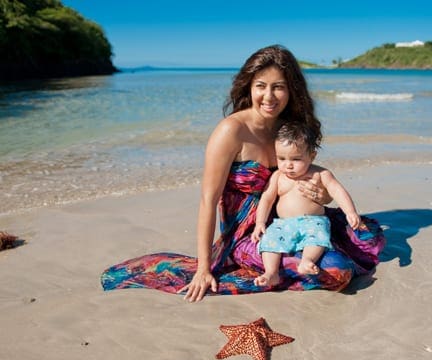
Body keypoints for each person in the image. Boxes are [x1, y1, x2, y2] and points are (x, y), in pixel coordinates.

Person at [101, 45, 384, 301]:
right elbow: (207, 202)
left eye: (279, 87)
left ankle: (299, 259)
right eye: (261, 86)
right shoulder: (231, 131)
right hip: (251, 236)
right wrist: (203, 268)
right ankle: (275, 266)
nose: (269, 96)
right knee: (338, 272)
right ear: (248, 87)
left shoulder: (288, 128)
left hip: (296, 221)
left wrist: (321, 196)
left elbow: (309, 179)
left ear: (292, 90)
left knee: (367, 236)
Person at [251, 121, 361, 287]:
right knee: (269, 240)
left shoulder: (320, 173)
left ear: (312, 155)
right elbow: (267, 198)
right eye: (281, 158)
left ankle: (307, 261)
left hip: (313, 221)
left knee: (318, 237)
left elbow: (337, 190)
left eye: (296, 159)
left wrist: (350, 212)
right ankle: (271, 272)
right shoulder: (278, 177)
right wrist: (260, 222)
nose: (288, 165)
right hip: (284, 223)